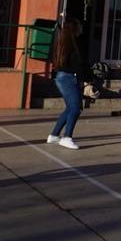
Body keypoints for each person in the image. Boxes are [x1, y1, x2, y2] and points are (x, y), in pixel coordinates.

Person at [46, 18, 87, 150]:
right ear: (74, 29)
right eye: (79, 26)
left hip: (62, 77)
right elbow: (78, 65)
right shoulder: (72, 45)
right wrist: (86, 79)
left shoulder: (63, 44)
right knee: (76, 108)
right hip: (68, 79)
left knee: (70, 108)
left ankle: (54, 135)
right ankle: (67, 137)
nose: (81, 28)